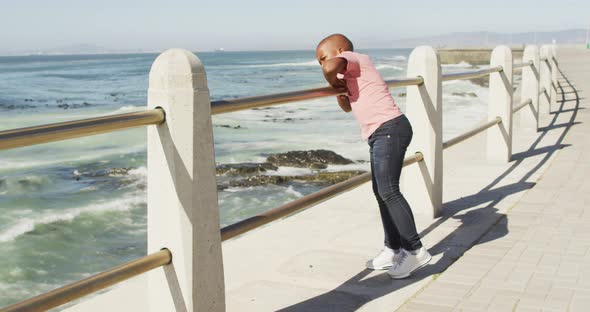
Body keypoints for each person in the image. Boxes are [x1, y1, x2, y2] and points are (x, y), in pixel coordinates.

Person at [315, 34, 431, 279]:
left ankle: (415, 250)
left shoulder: (354, 58)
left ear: (340, 50)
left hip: (390, 128)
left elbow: (329, 66)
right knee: (381, 193)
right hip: (380, 132)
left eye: (322, 57)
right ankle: (392, 248)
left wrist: (332, 78)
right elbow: (347, 106)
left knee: (389, 190)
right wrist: (339, 89)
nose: (321, 64)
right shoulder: (349, 73)